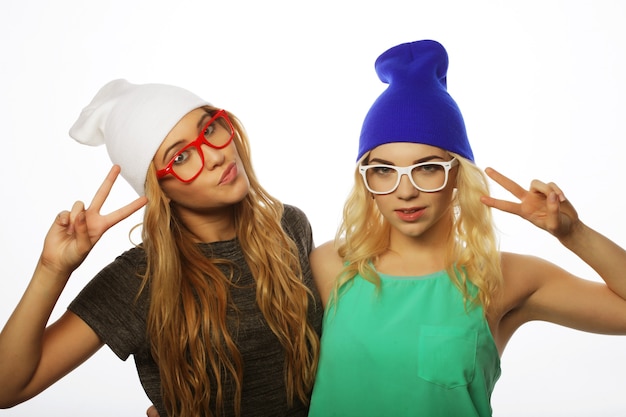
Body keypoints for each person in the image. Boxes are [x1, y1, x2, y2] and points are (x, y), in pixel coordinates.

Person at [307, 39, 626, 417]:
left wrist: (574, 234)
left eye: (427, 168)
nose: (405, 192)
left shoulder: (502, 276)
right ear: (366, 181)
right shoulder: (331, 266)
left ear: (458, 175)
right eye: (384, 170)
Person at [0, 79, 322, 417]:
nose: (215, 155)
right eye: (181, 157)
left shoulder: (290, 227)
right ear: (158, 188)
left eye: (210, 129)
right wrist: (53, 268)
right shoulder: (139, 280)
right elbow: (8, 387)